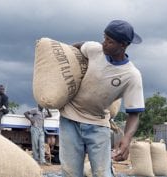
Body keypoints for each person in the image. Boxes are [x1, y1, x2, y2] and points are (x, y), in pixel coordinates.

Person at [59, 20, 145, 177]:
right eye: (104, 38)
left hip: (97, 125)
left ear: (123, 45)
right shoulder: (95, 49)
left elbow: (134, 113)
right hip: (69, 118)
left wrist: (126, 139)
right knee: (70, 173)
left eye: (109, 41)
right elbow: (76, 47)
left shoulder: (131, 75)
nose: (103, 43)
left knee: (102, 173)